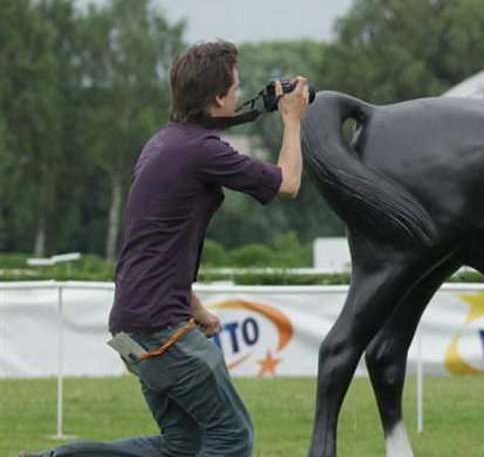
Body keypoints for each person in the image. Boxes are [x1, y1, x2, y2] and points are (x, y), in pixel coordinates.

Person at [19, 41, 309, 457]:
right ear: (219, 98)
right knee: (232, 439)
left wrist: (195, 308)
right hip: (161, 330)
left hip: (132, 324)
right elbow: (288, 183)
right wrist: (292, 120)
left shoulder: (161, 144)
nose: (238, 91)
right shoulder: (202, 150)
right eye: (236, 86)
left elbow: (152, 246)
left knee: (182, 446)